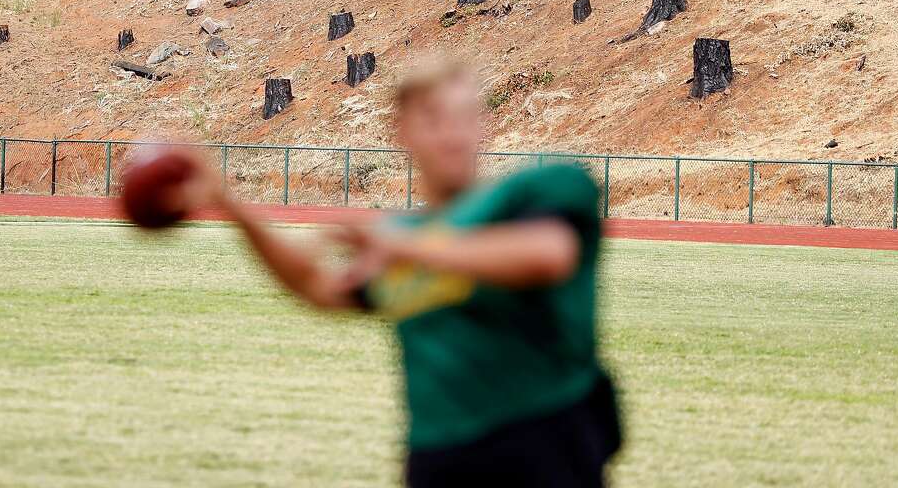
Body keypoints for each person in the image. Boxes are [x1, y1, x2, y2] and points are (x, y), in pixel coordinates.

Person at [185, 61, 621, 487]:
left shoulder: (536, 192)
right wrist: (229, 204)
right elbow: (317, 288)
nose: (452, 135)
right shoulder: (398, 235)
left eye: (464, 117)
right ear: (401, 131)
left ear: (482, 125)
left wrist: (401, 247)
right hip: (438, 457)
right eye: (433, 119)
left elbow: (548, 254)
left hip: (543, 446)